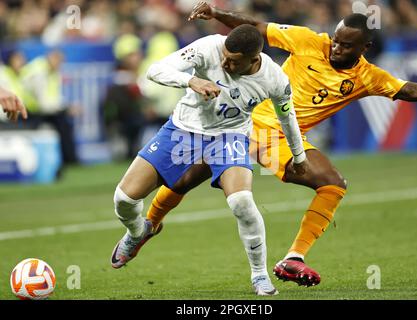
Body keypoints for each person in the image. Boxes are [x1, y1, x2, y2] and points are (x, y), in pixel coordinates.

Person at [142, 2, 417, 288]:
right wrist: (217, 12)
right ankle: (148, 226)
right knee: (184, 179)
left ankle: (293, 258)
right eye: (336, 39)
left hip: (282, 139)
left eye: (346, 45)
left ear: (364, 48)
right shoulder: (308, 40)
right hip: (243, 123)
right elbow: (257, 27)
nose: (336, 47)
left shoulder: (368, 77)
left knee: (332, 184)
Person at [110, 24, 308, 296]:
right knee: (123, 198)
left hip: (230, 136)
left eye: (234, 61)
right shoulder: (209, 47)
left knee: (242, 202)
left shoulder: (274, 78)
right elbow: (154, 69)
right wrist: (191, 80)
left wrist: (299, 156)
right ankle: (137, 233)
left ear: (254, 59)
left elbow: (288, 116)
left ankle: (260, 276)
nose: (225, 62)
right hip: (183, 129)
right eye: (225, 55)